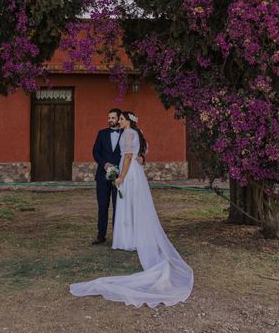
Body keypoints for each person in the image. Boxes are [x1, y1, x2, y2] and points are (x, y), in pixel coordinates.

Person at [71, 111, 194, 308]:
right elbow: (97, 152)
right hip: (108, 173)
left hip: (126, 172)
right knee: (106, 206)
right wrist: (107, 165)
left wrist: (139, 159)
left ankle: (126, 237)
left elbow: (133, 153)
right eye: (113, 118)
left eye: (118, 118)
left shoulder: (128, 132)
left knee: (124, 206)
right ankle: (104, 235)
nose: (115, 121)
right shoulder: (106, 133)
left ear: (126, 120)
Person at [90, 108, 123, 245]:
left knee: (118, 206)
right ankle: (101, 235)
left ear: (119, 118)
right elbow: (95, 152)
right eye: (109, 118)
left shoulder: (126, 134)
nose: (110, 120)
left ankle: (118, 236)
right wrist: (104, 164)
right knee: (103, 206)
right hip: (103, 175)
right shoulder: (102, 133)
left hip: (120, 176)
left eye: (113, 118)